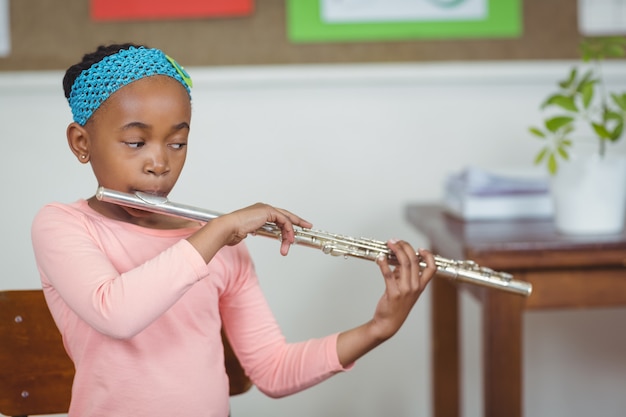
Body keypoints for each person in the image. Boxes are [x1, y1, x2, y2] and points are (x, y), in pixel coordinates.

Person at [31, 43, 436, 417]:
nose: (159, 163)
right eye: (136, 142)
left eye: (177, 143)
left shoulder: (221, 243)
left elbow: (274, 371)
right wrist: (218, 231)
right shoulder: (63, 225)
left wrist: (379, 327)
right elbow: (116, 313)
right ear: (81, 142)